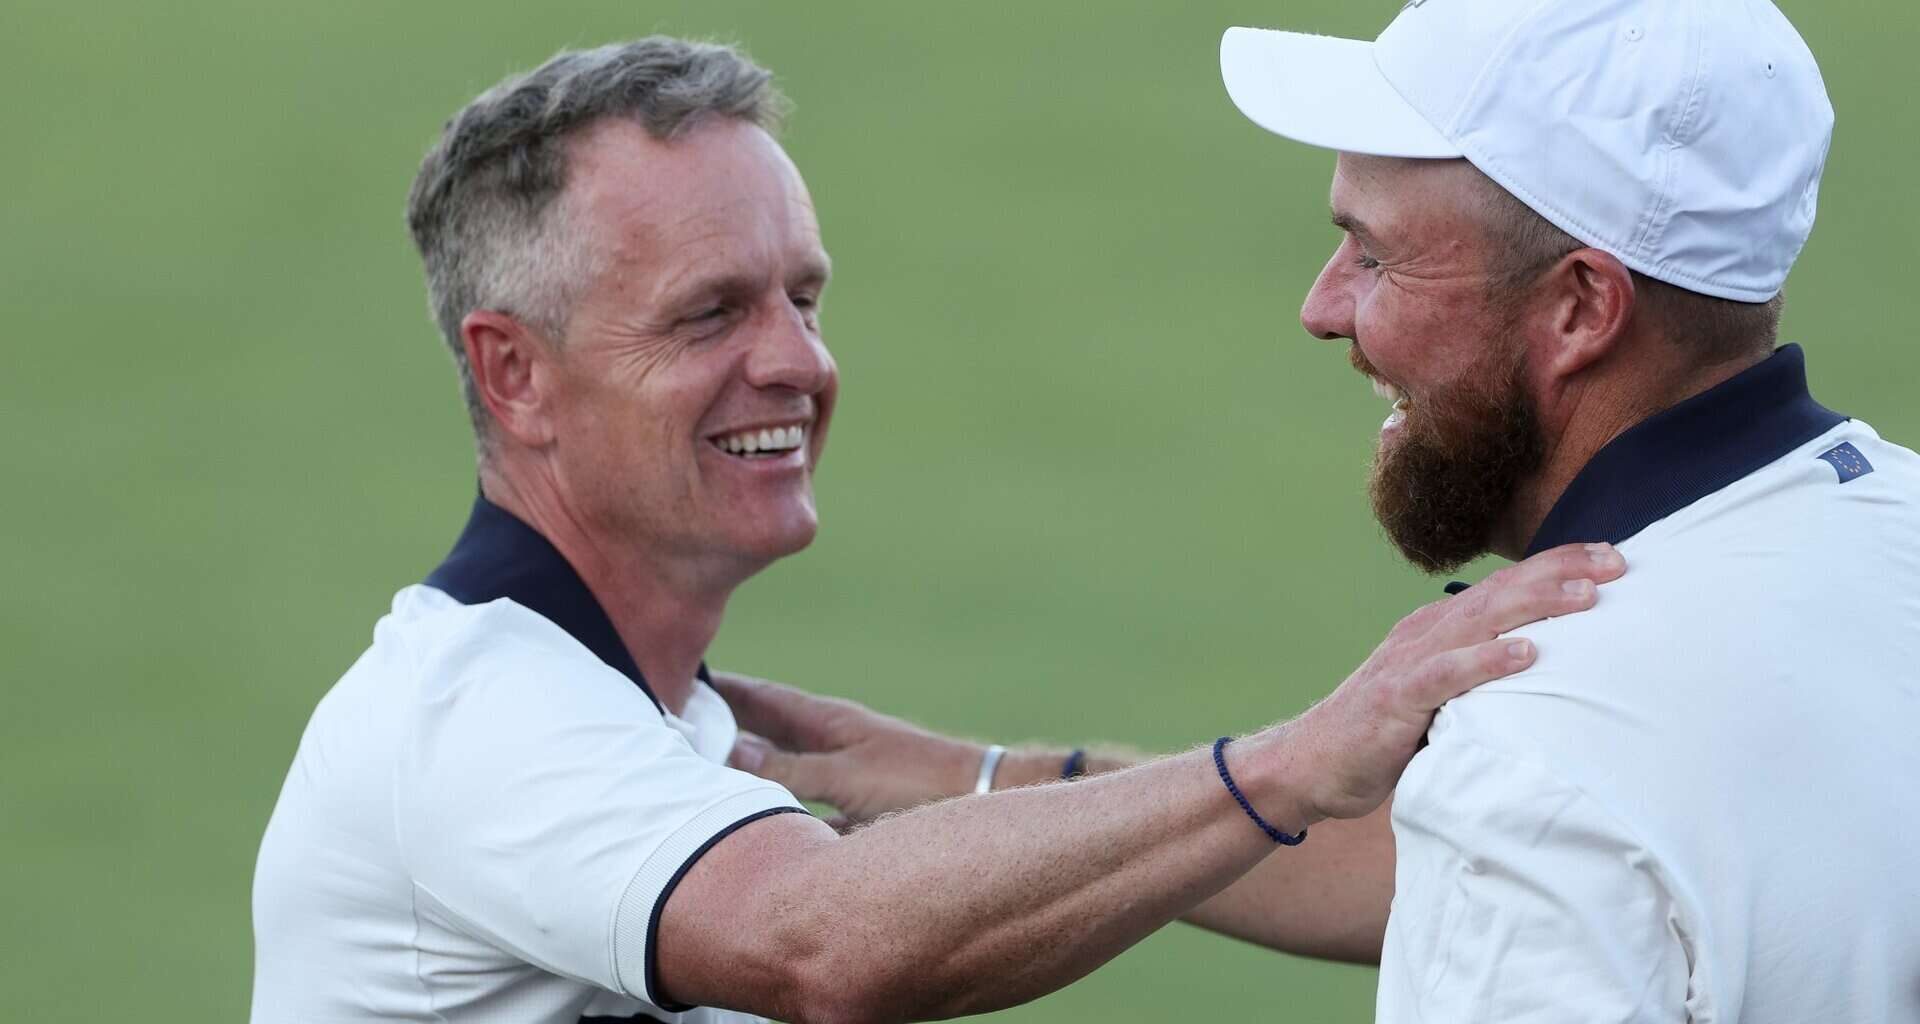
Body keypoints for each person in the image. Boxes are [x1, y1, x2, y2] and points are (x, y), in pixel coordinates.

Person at [247, 37, 1621, 1024]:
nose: (798, 363)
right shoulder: (475, 719)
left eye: (805, 296)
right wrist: (1296, 761)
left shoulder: (668, 725)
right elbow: (821, 946)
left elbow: (1448, 892)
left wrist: (988, 778)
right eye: (711, 312)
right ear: (514, 376)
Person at [732, 0, 1920, 1020]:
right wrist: (989, 781)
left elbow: (1544, 828)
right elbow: (1524, 860)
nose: (1319, 307)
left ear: (1580, 310)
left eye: (1375, 255)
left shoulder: (1549, 746)